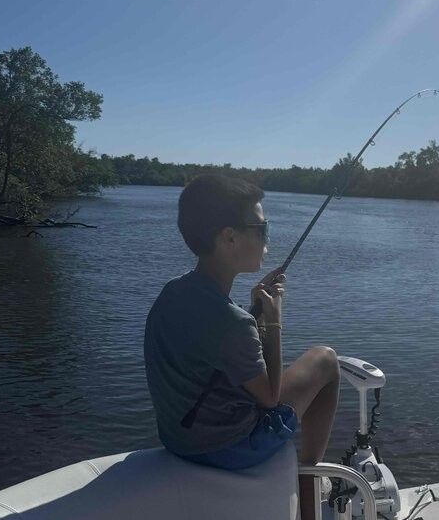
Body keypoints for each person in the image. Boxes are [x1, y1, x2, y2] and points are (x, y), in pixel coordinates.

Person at [144, 174, 340, 469]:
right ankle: (308, 473)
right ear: (229, 237)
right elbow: (270, 398)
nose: (267, 240)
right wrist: (273, 322)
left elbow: (221, 354)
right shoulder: (232, 322)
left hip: (178, 439)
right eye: (262, 229)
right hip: (229, 447)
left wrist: (254, 311)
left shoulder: (173, 292)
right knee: (326, 360)